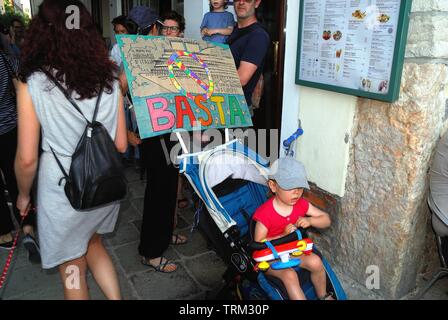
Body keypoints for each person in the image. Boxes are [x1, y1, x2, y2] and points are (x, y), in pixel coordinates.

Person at [15, 0, 127, 300]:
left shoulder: (33, 83)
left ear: (42, 34)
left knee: (73, 267)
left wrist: (24, 196)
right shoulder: (110, 78)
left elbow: (27, 159)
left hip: (64, 191)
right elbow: (120, 145)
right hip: (102, 185)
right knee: (93, 244)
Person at [123, 6, 187, 274]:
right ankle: (150, 251)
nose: (168, 32)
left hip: (176, 132)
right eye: (164, 28)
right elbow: (124, 87)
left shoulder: (183, 55)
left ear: (181, 33)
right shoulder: (143, 54)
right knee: (157, 191)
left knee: (169, 188)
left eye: (173, 29)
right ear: (155, 30)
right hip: (154, 133)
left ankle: (166, 232)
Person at [253, 157, 333, 300]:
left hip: (292, 250)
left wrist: (310, 220)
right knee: (290, 275)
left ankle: (323, 296)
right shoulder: (265, 214)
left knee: (316, 262)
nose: (296, 192)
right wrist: (282, 236)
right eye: (290, 187)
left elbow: (326, 220)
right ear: (273, 186)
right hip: (272, 256)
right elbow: (258, 243)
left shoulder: (301, 204)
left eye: (300, 187)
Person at [0, 31, 40, 263]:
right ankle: (27, 228)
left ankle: (4, 231)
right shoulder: (8, 59)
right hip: (11, 128)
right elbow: (22, 88)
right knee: (18, 181)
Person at [228, 0, 269, 119]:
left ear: (256, 3)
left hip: (238, 111)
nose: (241, 2)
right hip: (224, 107)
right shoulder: (236, 30)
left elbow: (241, 79)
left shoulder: (258, 36)